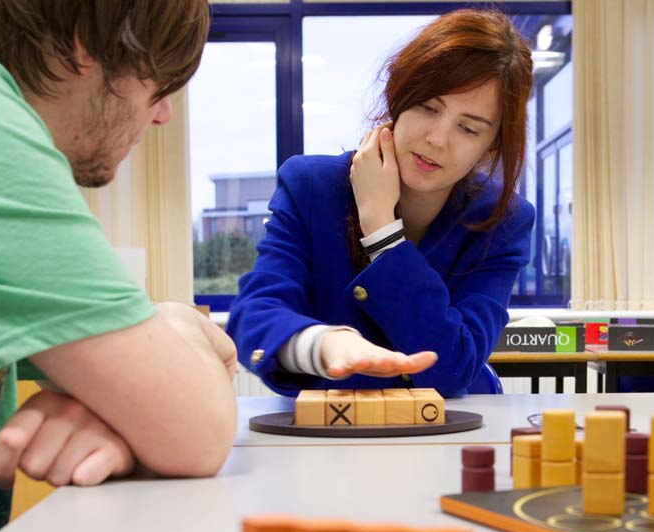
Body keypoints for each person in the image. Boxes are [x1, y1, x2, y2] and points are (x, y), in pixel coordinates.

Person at [0, 0, 238, 532]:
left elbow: (144, 400)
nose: (161, 115)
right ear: (86, 43)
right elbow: (196, 429)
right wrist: (177, 320)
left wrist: (118, 415)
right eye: (159, 84)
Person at [228, 10, 535, 398]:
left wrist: (382, 231)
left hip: (450, 431)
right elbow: (254, 316)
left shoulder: (502, 220)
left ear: (490, 144)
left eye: (468, 128)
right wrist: (323, 345)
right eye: (428, 107)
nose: (437, 139)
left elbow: (454, 367)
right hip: (329, 431)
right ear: (400, 97)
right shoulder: (312, 186)